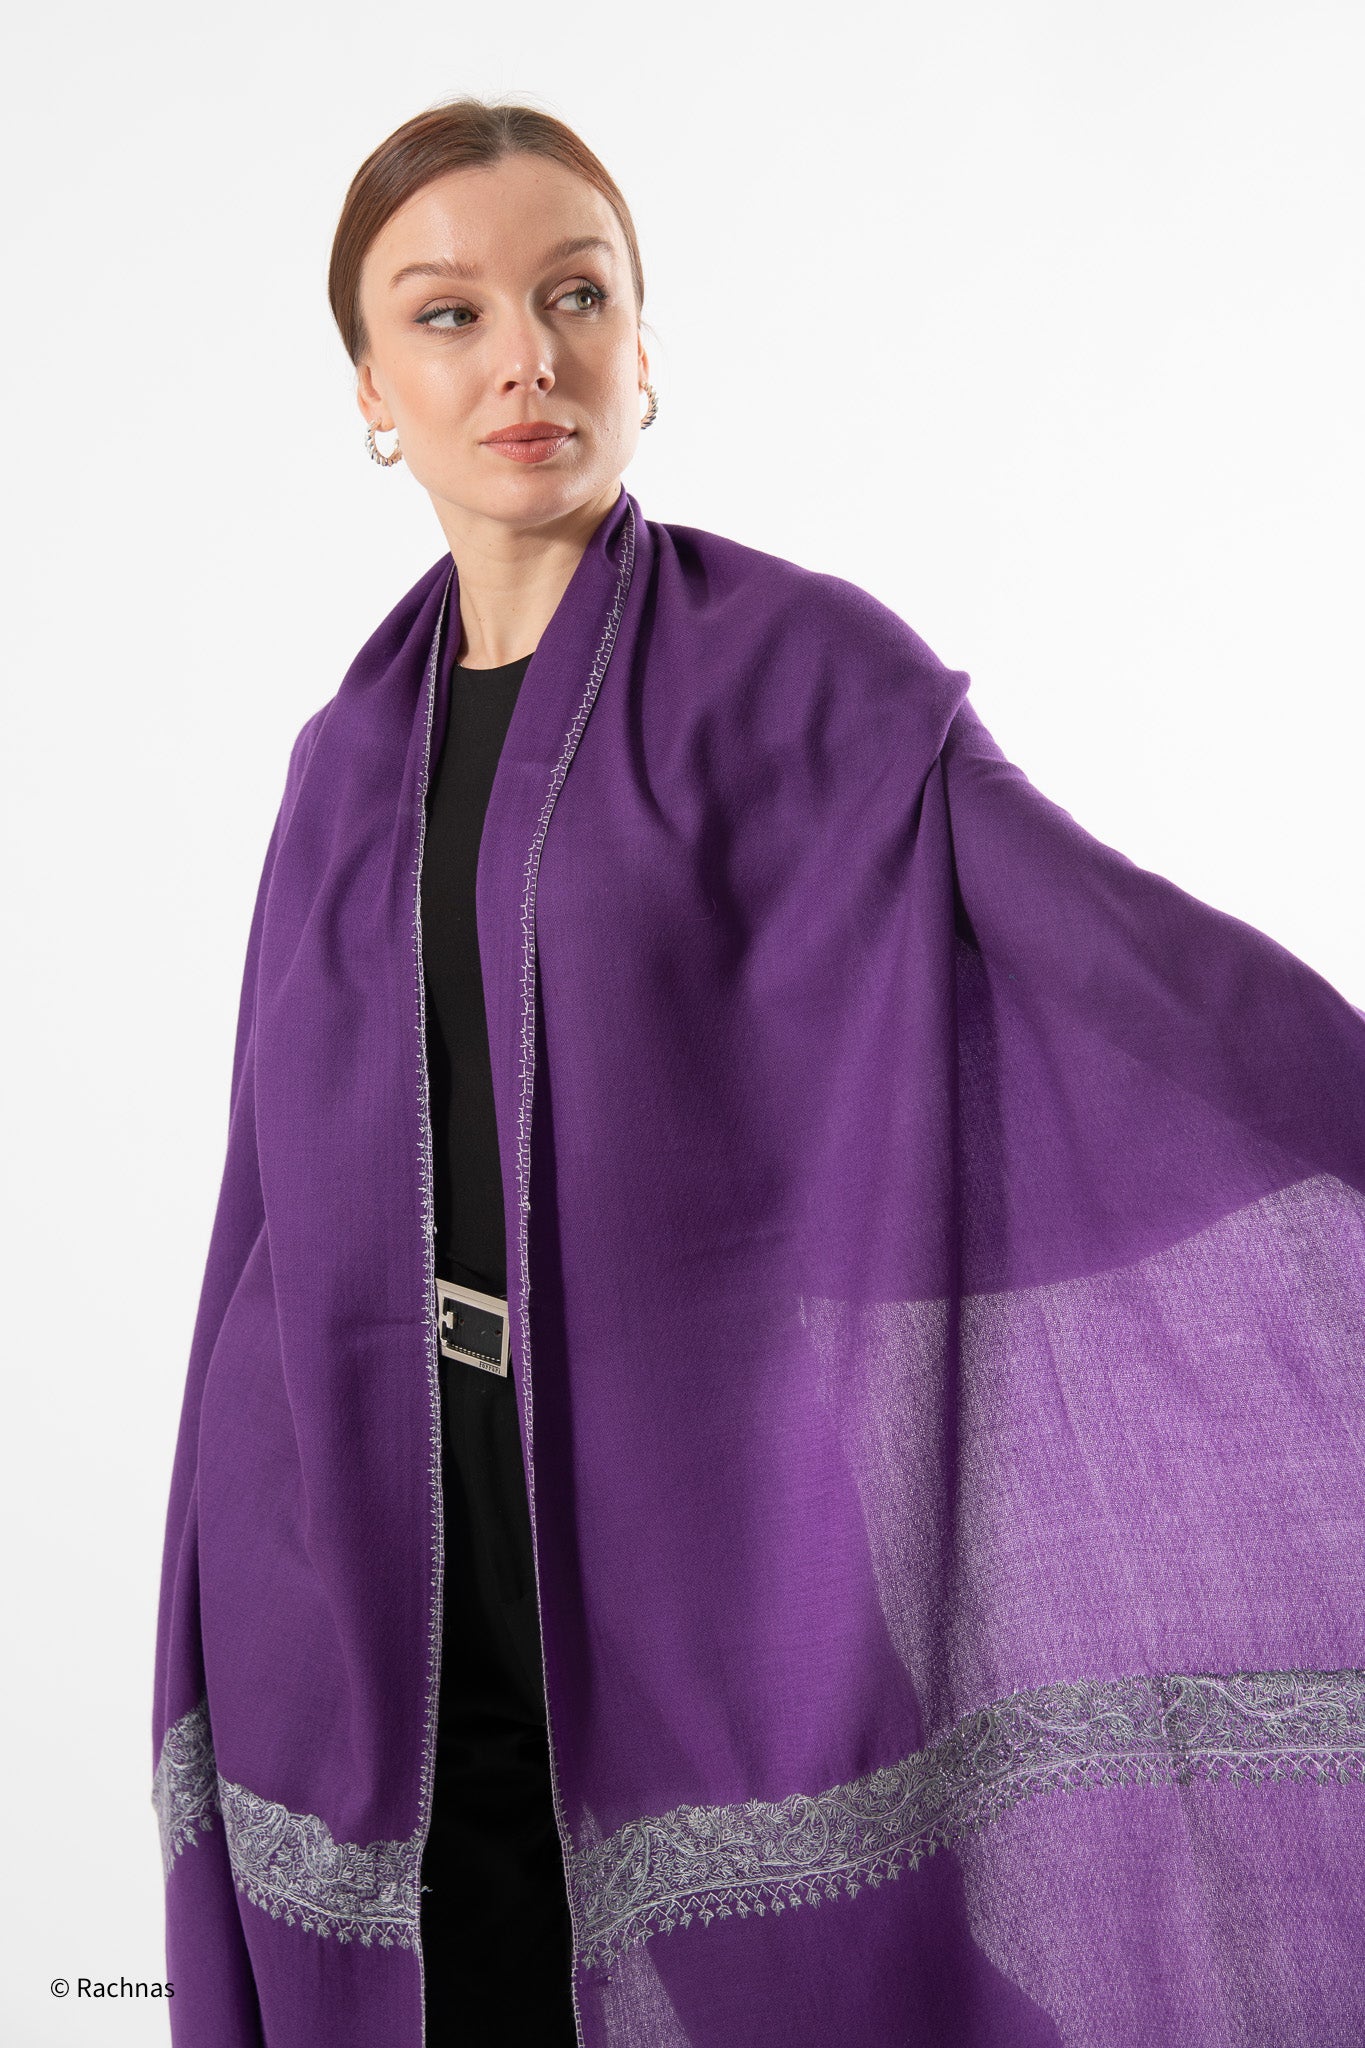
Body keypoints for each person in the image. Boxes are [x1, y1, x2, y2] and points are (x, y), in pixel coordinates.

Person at [151, 96, 1365, 2048]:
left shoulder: (805, 675)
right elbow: (263, 1206)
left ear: (643, 341)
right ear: (372, 387)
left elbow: (1112, 964)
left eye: (576, 295)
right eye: (449, 315)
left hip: (700, 1539)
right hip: (359, 1557)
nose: (526, 358)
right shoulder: (340, 759)